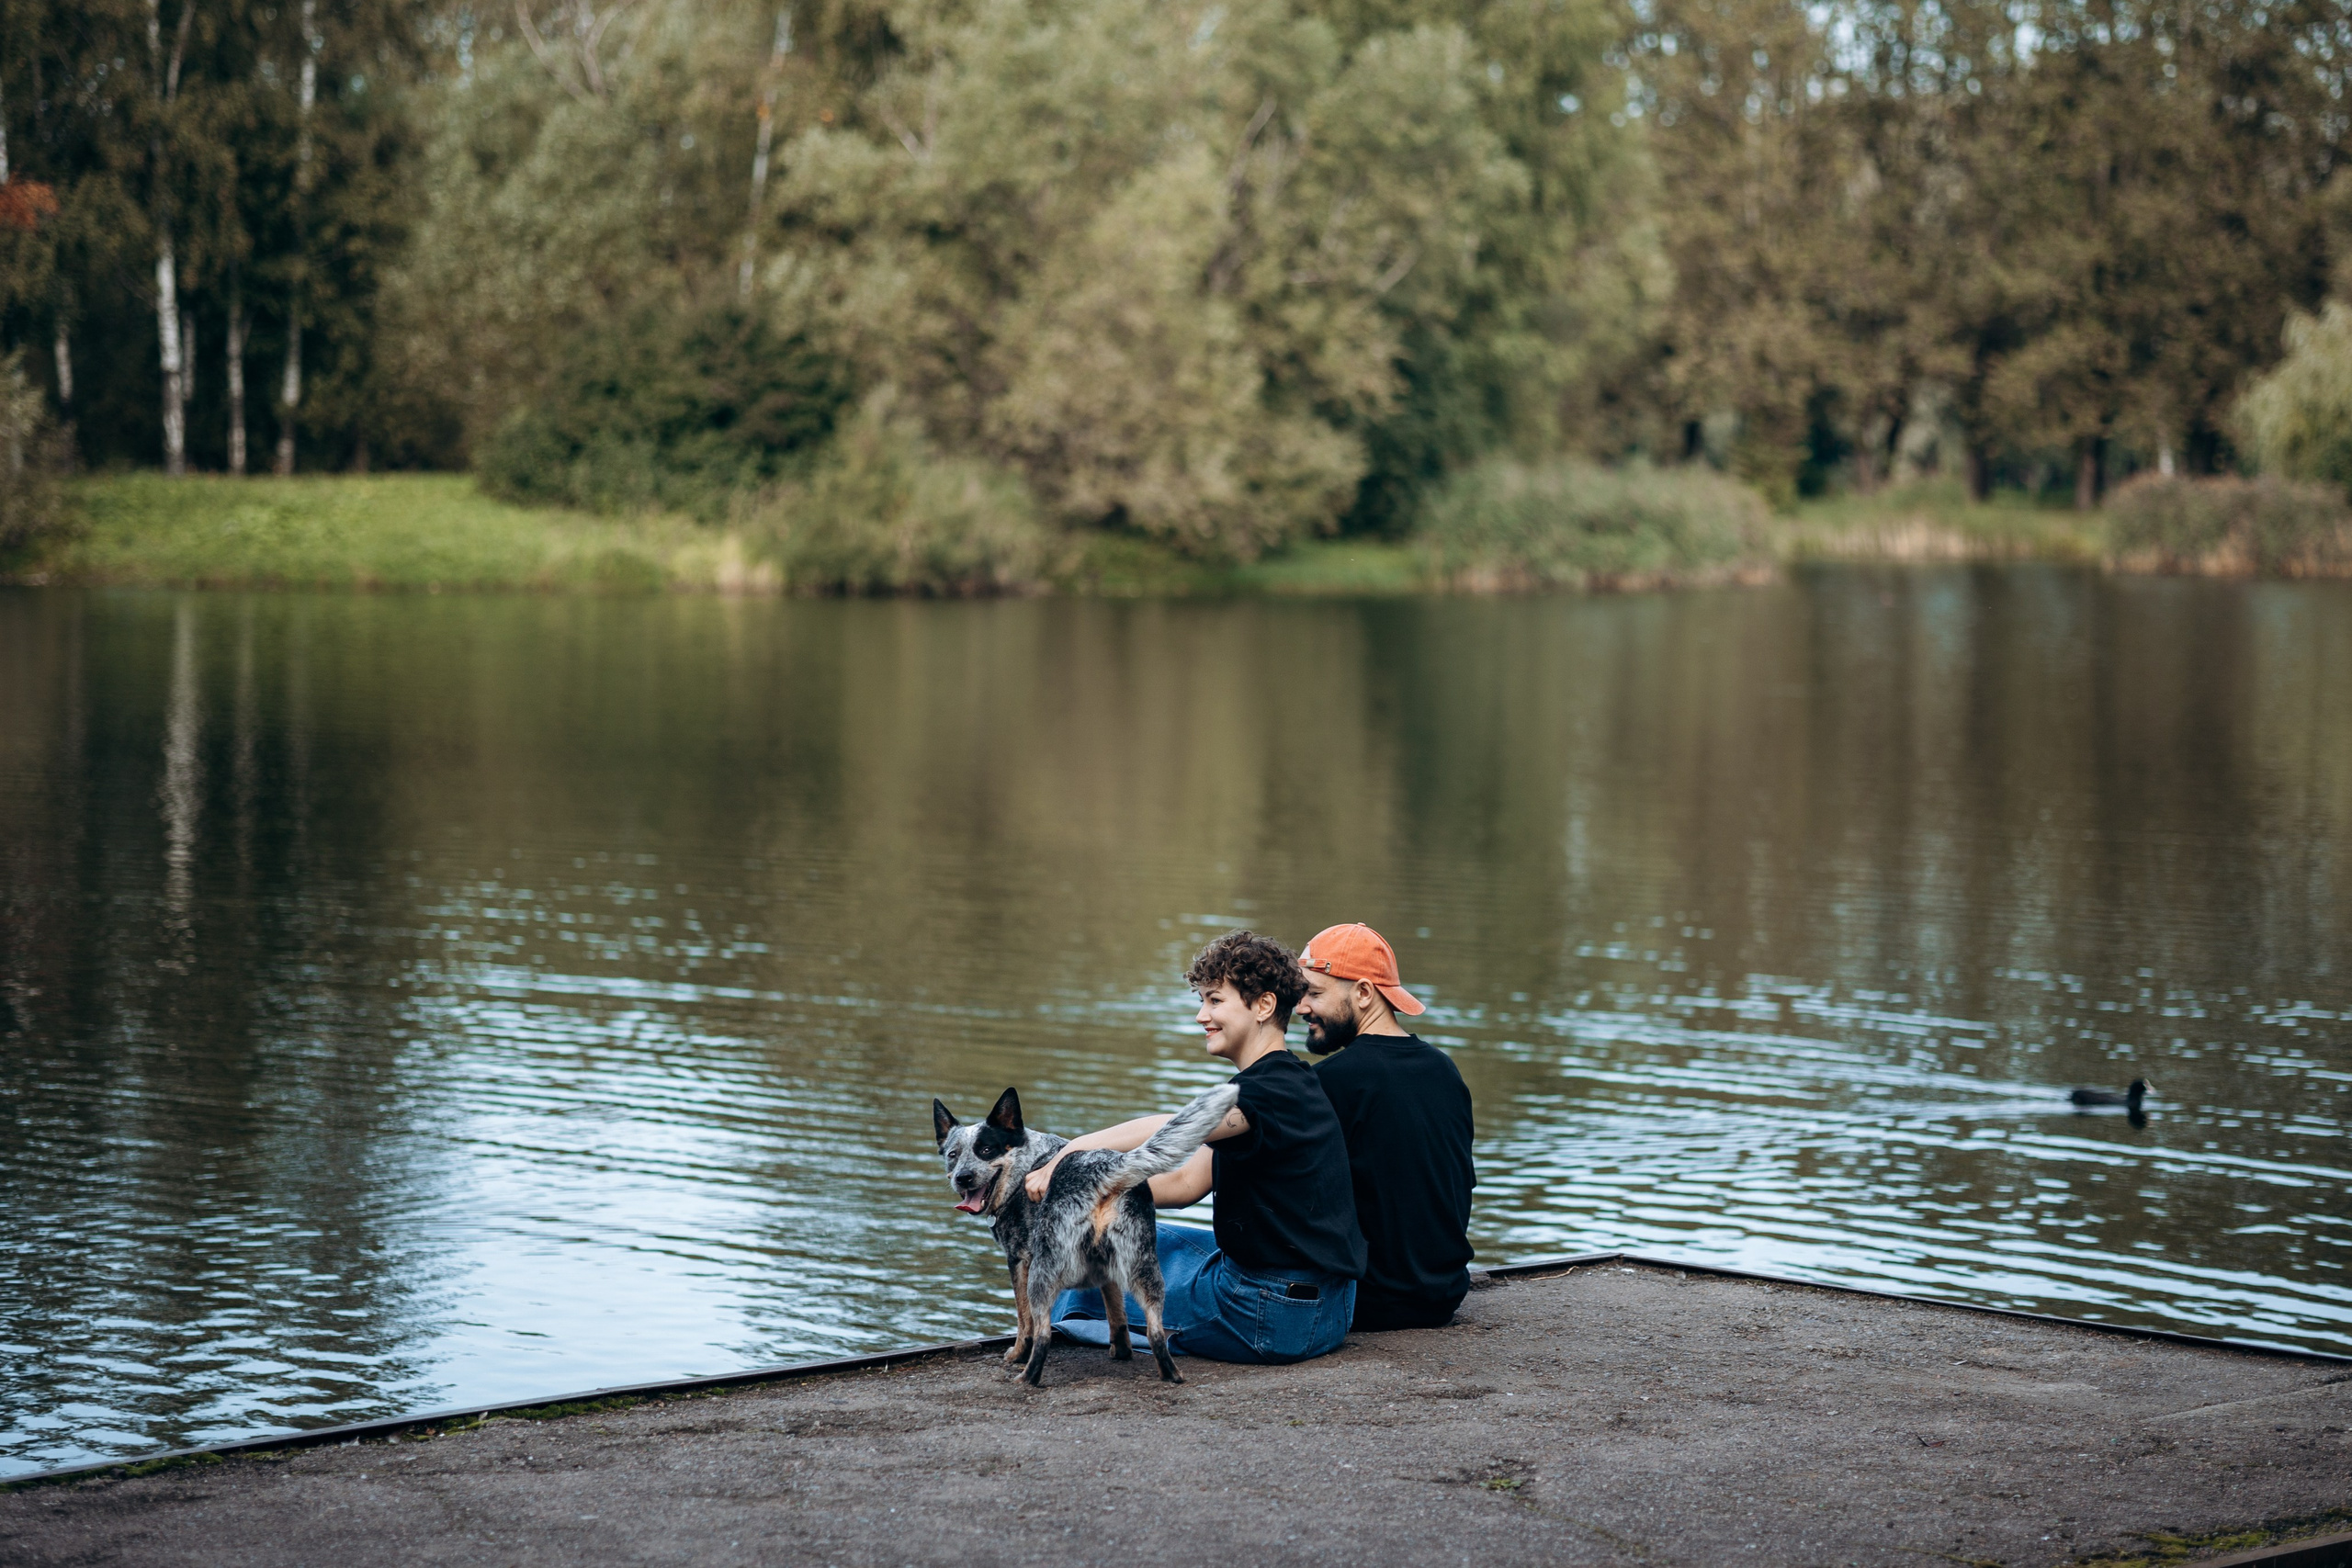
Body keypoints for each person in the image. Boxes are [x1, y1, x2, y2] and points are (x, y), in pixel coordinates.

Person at [1026, 930, 1364, 1364]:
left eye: (1215, 1001)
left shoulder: (1261, 1096)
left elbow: (1172, 1127)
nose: (1201, 1015)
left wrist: (1070, 1154)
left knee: (1083, 1267)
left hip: (1271, 1316)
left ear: (1263, 1006)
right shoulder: (1292, 1083)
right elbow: (1186, 1183)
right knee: (1133, 1235)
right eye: (1201, 1001)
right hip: (1332, 1311)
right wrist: (1088, 1195)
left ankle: (1058, 1338)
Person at [1296, 921, 1476, 1332]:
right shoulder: (1444, 1070)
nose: (1302, 1007)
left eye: (1315, 993)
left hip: (1368, 1302)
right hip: (1442, 1295)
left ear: (1363, 993)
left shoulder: (1334, 1080)